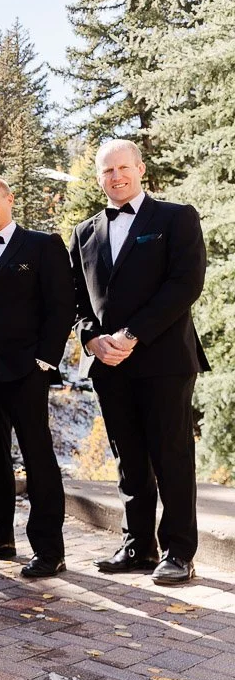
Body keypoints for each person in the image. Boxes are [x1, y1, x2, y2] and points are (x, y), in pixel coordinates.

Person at [70, 139, 208, 586]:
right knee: (129, 459)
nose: (116, 177)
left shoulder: (175, 217)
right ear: (98, 178)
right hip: (110, 363)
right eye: (106, 172)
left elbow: (185, 285)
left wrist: (132, 335)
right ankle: (138, 545)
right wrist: (92, 340)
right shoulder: (84, 232)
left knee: (171, 456)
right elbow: (76, 301)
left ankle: (179, 552)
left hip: (164, 358)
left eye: (123, 168)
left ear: (140, 169)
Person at [0, 177, 74, 579]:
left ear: (9, 200)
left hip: (25, 369)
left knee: (37, 457)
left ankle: (48, 548)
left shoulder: (42, 245)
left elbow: (61, 306)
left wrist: (45, 360)